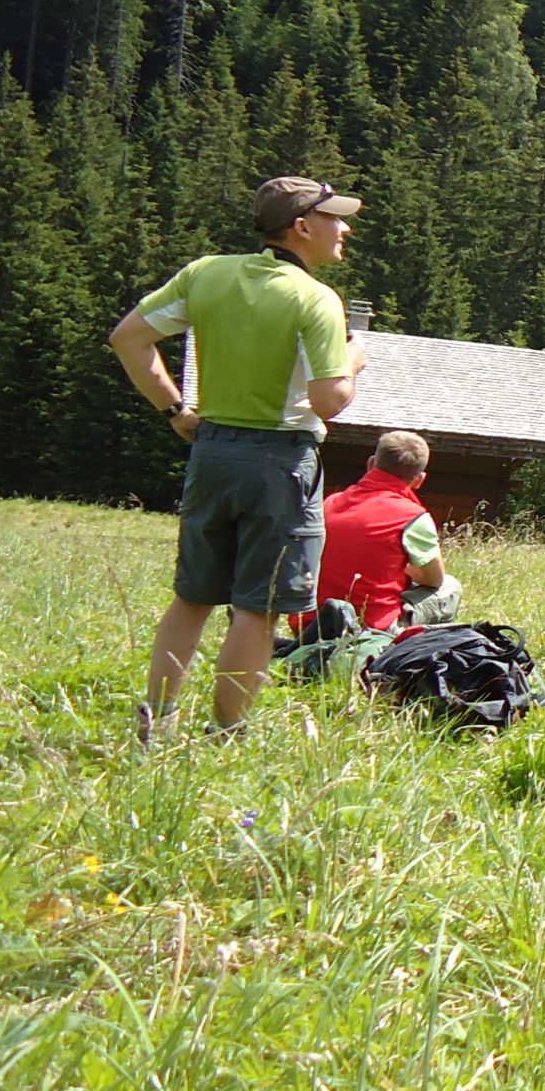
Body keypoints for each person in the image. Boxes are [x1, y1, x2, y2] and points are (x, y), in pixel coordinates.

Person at [107, 176, 367, 742]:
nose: (344, 229)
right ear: (302, 227)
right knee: (259, 607)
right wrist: (354, 359)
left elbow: (128, 338)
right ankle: (228, 734)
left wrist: (177, 410)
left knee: (193, 595)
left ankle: (156, 723)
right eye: (334, 219)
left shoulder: (207, 273)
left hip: (212, 451)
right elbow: (330, 400)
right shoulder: (317, 299)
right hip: (280, 462)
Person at [316, 431, 459, 631]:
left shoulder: (330, 502)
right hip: (372, 626)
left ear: (371, 463)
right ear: (419, 480)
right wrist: (401, 566)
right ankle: (405, 640)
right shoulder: (413, 516)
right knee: (451, 587)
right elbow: (434, 579)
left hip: (314, 622)